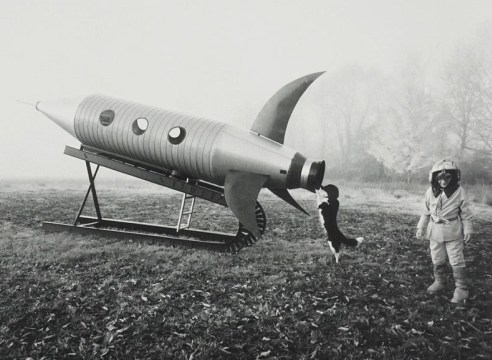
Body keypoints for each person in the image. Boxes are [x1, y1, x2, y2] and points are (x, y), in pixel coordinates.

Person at [416, 159, 473, 304]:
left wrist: (467, 229)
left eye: (447, 177)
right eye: (439, 178)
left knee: (456, 258)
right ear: (434, 177)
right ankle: (439, 281)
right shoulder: (430, 191)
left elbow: (465, 214)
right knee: (437, 257)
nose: (443, 181)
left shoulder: (459, 192)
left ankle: (461, 288)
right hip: (434, 231)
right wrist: (420, 227)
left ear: (454, 177)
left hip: (452, 231)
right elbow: (426, 212)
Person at [316, 184, 364, 263]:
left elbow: (320, 206)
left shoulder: (328, 203)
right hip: (331, 226)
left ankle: (338, 256)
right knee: (340, 240)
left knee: (333, 241)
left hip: (329, 227)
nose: (326, 194)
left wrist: (318, 193)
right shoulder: (335, 202)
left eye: (327, 192)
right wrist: (320, 190)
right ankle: (352, 244)